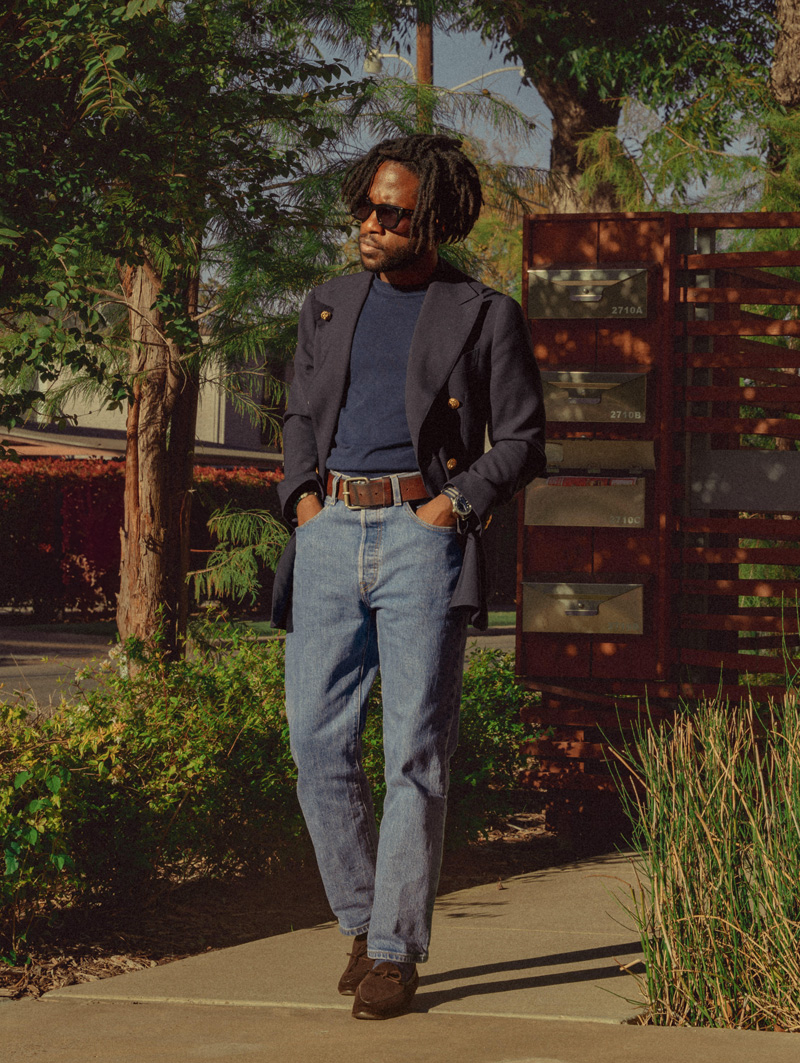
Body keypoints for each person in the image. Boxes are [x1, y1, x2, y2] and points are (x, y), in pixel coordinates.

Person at [271, 134, 546, 1020]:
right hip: (328, 530)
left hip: (421, 537)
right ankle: (362, 920)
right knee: (316, 742)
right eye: (364, 206)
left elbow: (523, 439)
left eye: (389, 213)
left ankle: (392, 950)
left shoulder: (484, 312)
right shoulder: (326, 303)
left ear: (434, 221)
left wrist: (452, 508)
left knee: (414, 752)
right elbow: (299, 413)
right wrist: (302, 500)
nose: (369, 224)